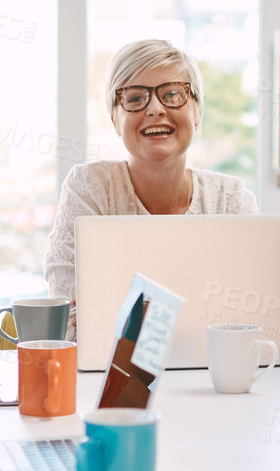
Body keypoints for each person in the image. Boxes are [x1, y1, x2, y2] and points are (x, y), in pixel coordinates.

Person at [44, 38, 258, 310]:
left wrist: (119, 311)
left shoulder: (230, 200)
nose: (155, 109)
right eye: (135, 98)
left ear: (198, 111)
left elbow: (262, 319)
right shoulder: (91, 188)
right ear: (115, 120)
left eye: (172, 95)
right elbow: (71, 317)